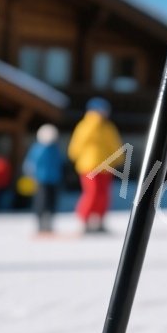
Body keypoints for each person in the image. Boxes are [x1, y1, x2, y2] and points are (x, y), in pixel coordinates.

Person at [68, 97, 123, 234]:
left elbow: (114, 144)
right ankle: (84, 220)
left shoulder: (108, 127)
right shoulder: (85, 125)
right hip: (89, 165)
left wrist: (119, 158)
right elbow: (77, 145)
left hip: (106, 166)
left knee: (103, 195)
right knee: (92, 193)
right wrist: (93, 122)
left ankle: (99, 220)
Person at [23, 124, 66, 235]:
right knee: (41, 202)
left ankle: (49, 223)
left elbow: (58, 163)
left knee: (52, 202)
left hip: (54, 180)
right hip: (41, 180)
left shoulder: (54, 149)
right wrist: (31, 176)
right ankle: (41, 224)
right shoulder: (38, 148)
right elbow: (30, 163)